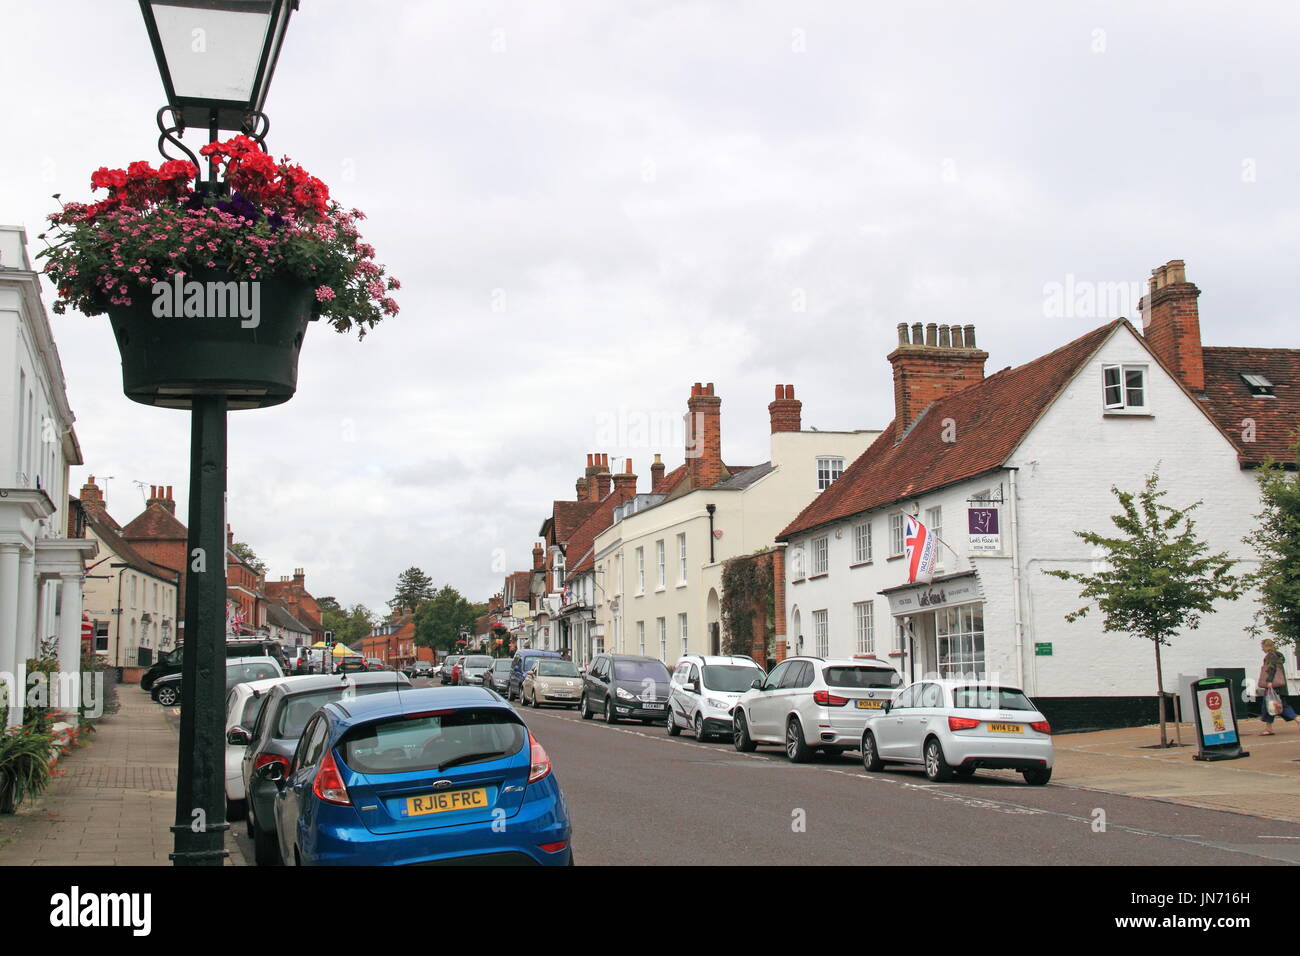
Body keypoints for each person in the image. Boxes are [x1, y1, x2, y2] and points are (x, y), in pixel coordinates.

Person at [1256, 639, 1298, 735]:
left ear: (1267, 646)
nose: (1262, 649)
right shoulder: (1278, 655)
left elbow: (1271, 668)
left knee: (1279, 705)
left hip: (1274, 686)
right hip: (1280, 686)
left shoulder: (1271, 656)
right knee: (1269, 705)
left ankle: (1297, 718)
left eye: (1262, 647)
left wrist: (1269, 681)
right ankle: (1268, 728)